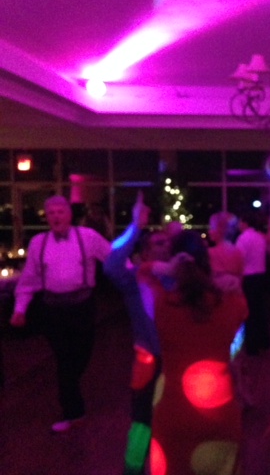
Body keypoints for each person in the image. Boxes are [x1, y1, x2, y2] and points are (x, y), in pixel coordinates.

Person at [141, 230, 249, 475]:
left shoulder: (161, 304)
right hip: (219, 408)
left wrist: (167, 268)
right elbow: (237, 349)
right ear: (207, 261)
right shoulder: (233, 302)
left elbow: (142, 273)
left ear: (174, 262)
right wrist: (231, 287)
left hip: (172, 410)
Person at [10, 195, 111, 432]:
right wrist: (20, 309)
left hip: (82, 308)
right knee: (64, 361)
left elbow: (114, 259)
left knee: (81, 357)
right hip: (53, 310)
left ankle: (72, 400)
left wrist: (136, 277)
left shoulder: (88, 237)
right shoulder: (38, 242)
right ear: (47, 217)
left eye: (60, 212)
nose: (56, 216)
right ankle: (74, 412)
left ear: (69, 214)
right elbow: (29, 279)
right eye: (51, 213)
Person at [103, 192, 171, 475]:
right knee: (142, 420)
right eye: (159, 243)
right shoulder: (132, 280)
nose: (166, 248)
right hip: (147, 362)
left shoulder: (179, 279)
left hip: (176, 361)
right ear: (144, 253)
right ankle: (133, 470)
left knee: (171, 419)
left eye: (167, 243)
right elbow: (110, 265)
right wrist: (135, 228)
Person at [235, 211, 270, 355]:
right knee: (260, 310)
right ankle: (264, 341)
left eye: (240, 222)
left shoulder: (243, 238)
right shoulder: (260, 237)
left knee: (249, 312)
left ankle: (252, 345)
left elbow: (239, 259)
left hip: (249, 278)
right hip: (261, 276)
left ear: (244, 223)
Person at [208, 212, 244, 293]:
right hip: (236, 296)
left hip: (219, 298)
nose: (209, 231)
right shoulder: (238, 251)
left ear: (220, 230)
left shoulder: (211, 253)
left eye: (212, 228)